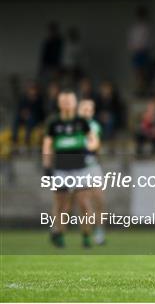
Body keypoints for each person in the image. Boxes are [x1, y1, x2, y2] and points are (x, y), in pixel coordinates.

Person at [42, 90, 99, 248]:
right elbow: (47, 145)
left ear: (75, 103)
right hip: (61, 168)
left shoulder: (81, 122)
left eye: (70, 101)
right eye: (64, 101)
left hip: (80, 168)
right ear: (59, 103)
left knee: (84, 203)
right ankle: (59, 233)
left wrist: (90, 147)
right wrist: (46, 166)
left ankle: (86, 235)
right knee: (61, 205)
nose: (67, 104)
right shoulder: (53, 123)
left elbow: (93, 140)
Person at [78, 99, 106, 245]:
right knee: (83, 203)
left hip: (92, 166)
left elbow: (94, 145)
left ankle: (99, 230)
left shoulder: (94, 126)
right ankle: (87, 232)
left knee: (99, 199)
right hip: (77, 168)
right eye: (84, 109)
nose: (87, 112)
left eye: (89, 110)